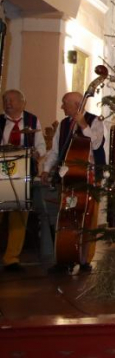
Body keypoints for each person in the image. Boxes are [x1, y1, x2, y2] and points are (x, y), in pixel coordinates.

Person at [41, 91, 106, 273]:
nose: (62, 106)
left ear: (77, 105)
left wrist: (83, 125)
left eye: (65, 103)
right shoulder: (63, 124)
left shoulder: (95, 121)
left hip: (89, 177)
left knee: (87, 218)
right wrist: (46, 169)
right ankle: (65, 257)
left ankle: (84, 260)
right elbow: (56, 150)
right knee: (66, 218)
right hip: (68, 177)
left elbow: (96, 144)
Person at [0, 90, 46, 272]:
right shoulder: (0, 121)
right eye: (5, 100)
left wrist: (36, 153)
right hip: (1, 171)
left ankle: (12, 258)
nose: (8, 103)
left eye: (11, 100)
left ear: (22, 102)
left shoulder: (32, 121)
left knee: (19, 215)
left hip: (22, 172)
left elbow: (41, 146)